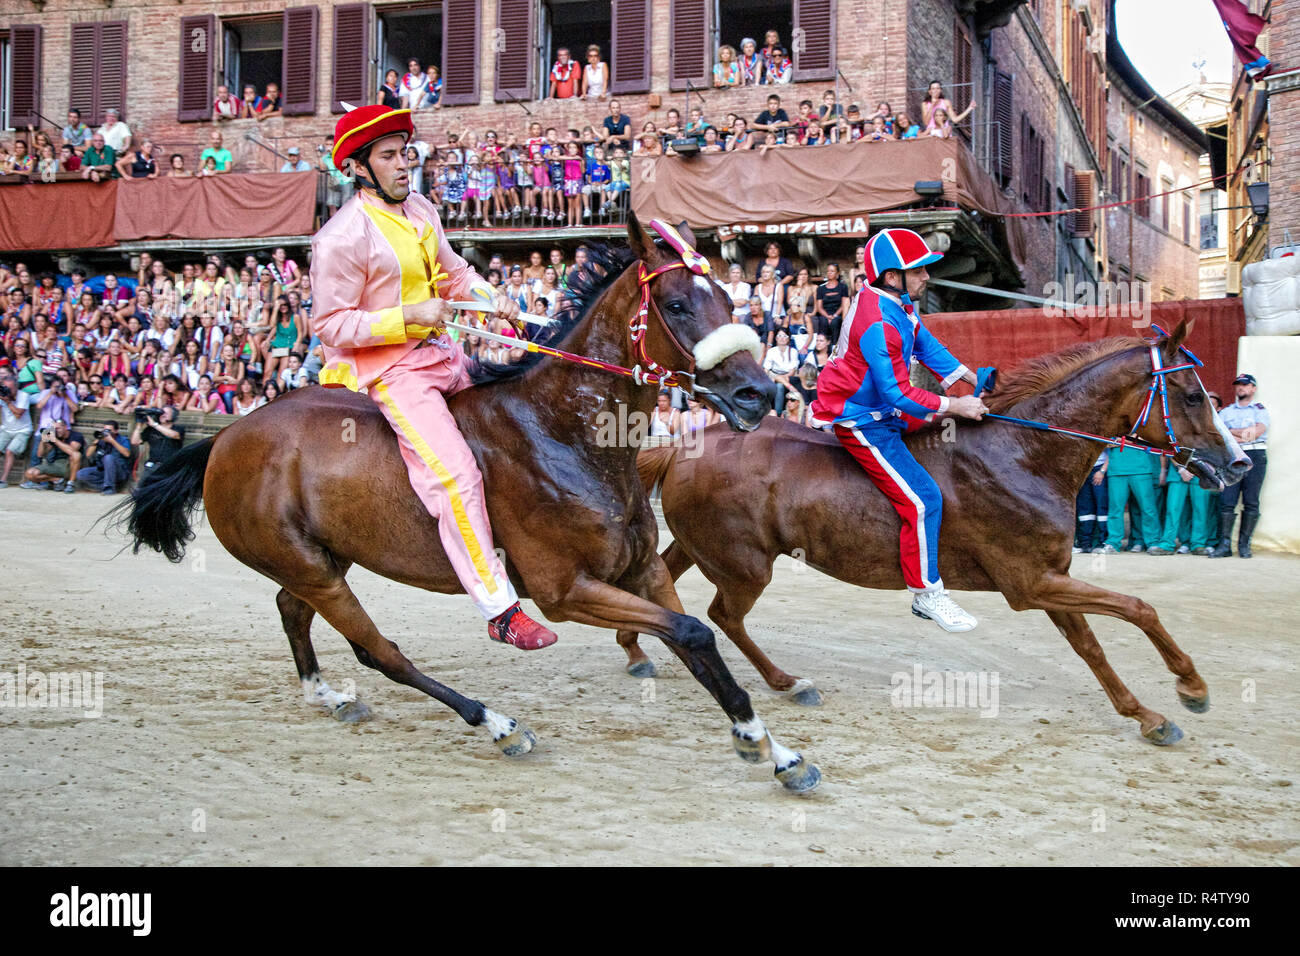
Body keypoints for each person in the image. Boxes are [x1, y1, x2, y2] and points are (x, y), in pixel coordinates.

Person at [311, 103, 557, 650]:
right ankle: (499, 611)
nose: (405, 164)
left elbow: (454, 272)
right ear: (358, 167)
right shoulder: (339, 238)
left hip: (446, 355)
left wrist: (492, 302)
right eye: (390, 156)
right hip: (395, 373)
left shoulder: (420, 207)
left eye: (407, 153)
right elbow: (330, 325)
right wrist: (410, 316)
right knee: (458, 476)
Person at [809, 228, 987, 632]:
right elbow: (900, 393)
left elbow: (926, 345)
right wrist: (956, 403)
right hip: (861, 419)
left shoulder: (899, 303)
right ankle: (927, 594)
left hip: (882, 406)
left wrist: (971, 378)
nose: (927, 276)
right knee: (924, 500)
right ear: (892, 276)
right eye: (919, 270)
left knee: (949, 436)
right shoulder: (878, 321)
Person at [1209, 373, 1269, 558]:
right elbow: (1220, 434)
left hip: (1255, 455)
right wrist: (1242, 434)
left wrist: (1232, 432)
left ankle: (1244, 544)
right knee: (1228, 501)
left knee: (1251, 501)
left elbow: (1256, 433)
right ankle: (1225, 544)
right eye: (1238, 385)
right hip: (1232, 456)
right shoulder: (1226, 411)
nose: (1240, 388)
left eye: (1244, 385)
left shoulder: (1260, 410)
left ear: (1253, 388)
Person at [1101, 444, 1161, 553]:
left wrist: (1123, 440)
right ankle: (1113, 543)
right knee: (1115, 509)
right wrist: (1128, 439)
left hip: (1141, 469)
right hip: (1116, 469)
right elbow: (1106, 442)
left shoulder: (1141, 426)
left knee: (1148, 508)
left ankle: (1153, 542)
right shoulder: (1113, 426)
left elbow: (1148, 438)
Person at [20, 419, 84, 492]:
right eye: (54, 429)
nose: (56, 431)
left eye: (58, 428)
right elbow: (40, 455)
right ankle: (57, 480)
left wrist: (55, 440)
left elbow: (73, 451)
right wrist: (43, 441)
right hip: (56, 465)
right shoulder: (55, 437)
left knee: (76, 455)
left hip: (70, 465)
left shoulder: (76, 435)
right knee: (30, 473)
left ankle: (70, 483)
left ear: (65, 427)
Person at [75, 420, 131, 494]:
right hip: (103, 470)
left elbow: (127, 454)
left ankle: (109, 488)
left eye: (109, 430)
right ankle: (108, 486)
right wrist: (97, 440)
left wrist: (112, 441)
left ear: (116, 431)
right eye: (105, 430)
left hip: (119, 472)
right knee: (80, 474)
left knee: (108, 458)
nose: (107, 432)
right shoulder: (102, 440)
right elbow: (88, 455)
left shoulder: (123, 439)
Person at [130, 404, 185, 477]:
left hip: (170, 466)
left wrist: (155, 425)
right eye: (161, 413)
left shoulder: (178, 428)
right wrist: (139, 426)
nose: (162, 415)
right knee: (143, 486)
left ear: (173, 416)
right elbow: (135, 441)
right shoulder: (151, 429)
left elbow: (174, 435)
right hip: (152, 465)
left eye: (166, 413)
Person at [0, 368, 33, 487]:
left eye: (10, 388)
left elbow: (18, 414)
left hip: (26, 430)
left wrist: (8, 402)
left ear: (16, 387)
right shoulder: (3, 396)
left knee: (10, 451)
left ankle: (3, 480)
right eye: (5, 387)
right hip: (6, 429)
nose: (7, 390)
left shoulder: (23, 395)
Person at [1073, 451, 1109, 553]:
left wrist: (1102, 471)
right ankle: (1084, 543)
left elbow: (1112, 451)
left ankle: (1103, 542)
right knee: (1085, 508)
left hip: (1099, 467)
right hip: (1083, 468)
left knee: (1102, 506)